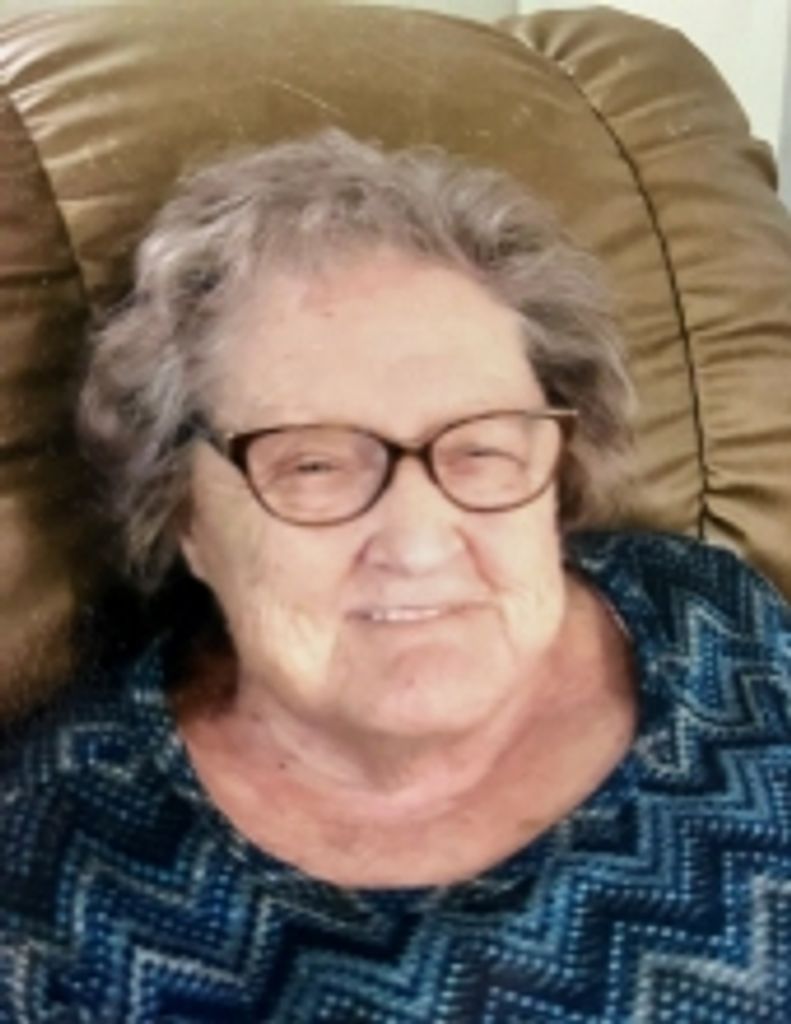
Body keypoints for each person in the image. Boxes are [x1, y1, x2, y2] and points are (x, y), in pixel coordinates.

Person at [0, 129, 788, 1024]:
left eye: (481, 448)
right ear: (182, 515)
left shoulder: (710, 612)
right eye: (313, 465)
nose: (417, 543)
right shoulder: (53, 872)